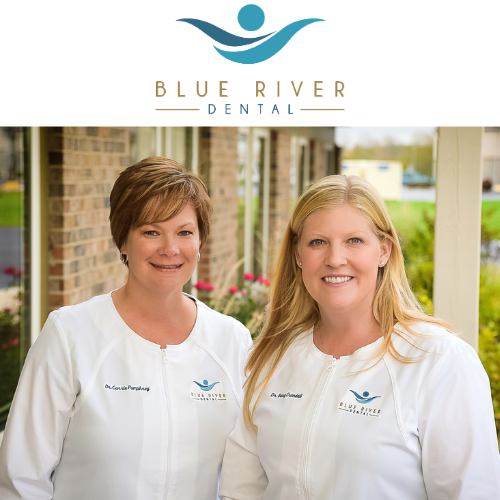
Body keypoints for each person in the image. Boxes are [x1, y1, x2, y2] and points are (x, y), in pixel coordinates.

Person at [219, 175, 500, 500]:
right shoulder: (274, 355)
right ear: (298, 255)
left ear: (384, 251)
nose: (335, 258)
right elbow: (242, 490)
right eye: (317, 242)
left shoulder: (439, 362)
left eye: (354, 240)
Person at [0, 157, 253, 500]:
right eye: (151, 231)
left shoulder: (232, 340)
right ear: (122, 240)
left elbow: (246, 476)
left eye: (184, 232)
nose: (170, 249)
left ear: (199, 241)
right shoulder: (70, 335)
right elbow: (21, 479)